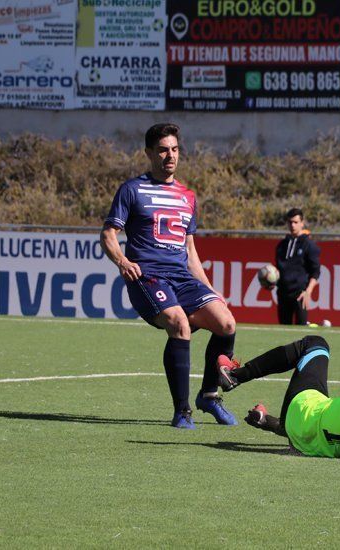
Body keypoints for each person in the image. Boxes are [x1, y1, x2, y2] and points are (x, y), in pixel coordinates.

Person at [100, 123, 238, 429]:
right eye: (162, 150)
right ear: (149, 153)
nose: (169, 156)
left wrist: (210, 290)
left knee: (226, 322)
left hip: (181, 277)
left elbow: (190, 251)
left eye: (174, 149)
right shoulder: (132, 190)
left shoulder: (188, 196)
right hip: (148, 275)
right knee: (178, 322)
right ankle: (182, 411)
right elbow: (108, 233)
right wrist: (122, 260)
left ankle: (209, 395)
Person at [274, 208, 320, 325]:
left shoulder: (309, 245)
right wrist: (271, 282)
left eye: (296, 222)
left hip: (300, 294)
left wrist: (308, 292)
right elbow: (278, 270)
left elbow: (315, 272)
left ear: (302, 223)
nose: (292, 225)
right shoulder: (282, 245)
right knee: (283, 331)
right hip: (283, 293)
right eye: (290, 222)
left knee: (301, 333)